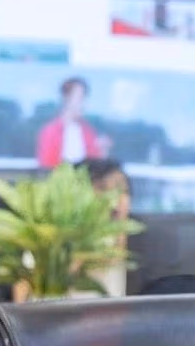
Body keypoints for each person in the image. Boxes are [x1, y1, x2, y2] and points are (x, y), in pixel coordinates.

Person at [81, 158, 132, 298]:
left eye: (122, 190)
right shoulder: (52, 247)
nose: (115, 198)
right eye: (103, 189)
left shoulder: (142, 242)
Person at [36, 77, 110, 169]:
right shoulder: (50, 132)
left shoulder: (88, 132)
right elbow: (45, 167)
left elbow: (96, 167)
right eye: (80, 98)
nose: (83, 104)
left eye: (85, 98)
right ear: (66, 98)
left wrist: (103, 151)